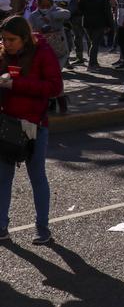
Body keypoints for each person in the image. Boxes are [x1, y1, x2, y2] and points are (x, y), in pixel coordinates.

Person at [0, 16, 64, 244]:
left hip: (33, 125)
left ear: (25, 38)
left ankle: (42, 228)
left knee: (36, 176)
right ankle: (1, 227)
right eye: (3, 39)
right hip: (6, 123)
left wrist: (16, 84)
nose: (6, 44)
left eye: (11, 40)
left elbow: (55, 88)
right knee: (3, 178)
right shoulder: (3, 53)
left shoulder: (42, 53)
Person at [27, 0, 70, 114]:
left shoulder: (56, 10)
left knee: (55, 76)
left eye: (48, 5)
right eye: (42, 5)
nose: (45, 7)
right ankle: (52, 100)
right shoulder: (33, 15)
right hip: (44, 52)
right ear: (37, 4)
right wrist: (40, 31)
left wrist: (50, 16)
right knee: (48, 77)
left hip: (60, 51)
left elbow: (67, 14)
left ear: (52, 4)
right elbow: (30, 31)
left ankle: (60, 101)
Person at [77, 0, 113, 69]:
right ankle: (92, 63)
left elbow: (80, 7)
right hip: (99, 21)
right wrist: (110, 24)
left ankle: (93, 61)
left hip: (87, 21)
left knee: (92, 42)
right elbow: (107, 10)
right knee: (95, 43)